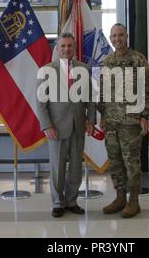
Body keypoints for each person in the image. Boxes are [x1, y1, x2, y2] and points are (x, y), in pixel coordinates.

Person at [98, 23, 149, 218]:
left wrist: (145, 116)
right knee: (115, 161)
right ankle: (120, 197)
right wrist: (103, 116)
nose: (117, 39)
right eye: (113, 36)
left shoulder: (138, 60)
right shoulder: (107, 63)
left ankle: (134, 201)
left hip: (131, 122)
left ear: (127, 36)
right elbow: (103, 94)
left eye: (120, 35)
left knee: (132, 163)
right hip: (112, 122)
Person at [37, 33, 96, 218]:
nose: (66, 49)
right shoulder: (46, 70)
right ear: (57, 47)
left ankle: (72, 201)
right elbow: (41, 103)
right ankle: (57, 203)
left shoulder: (84, 69)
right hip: (56, 128)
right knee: (57, 168)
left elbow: (90, 99)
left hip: (78, 126)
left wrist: (91, 121)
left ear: (75, 47)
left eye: (70, 46)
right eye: (63, 46)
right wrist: (47, 126)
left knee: (76, 168)